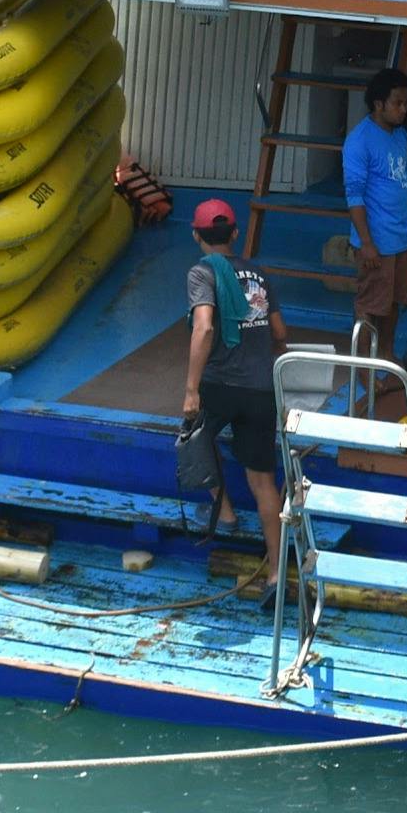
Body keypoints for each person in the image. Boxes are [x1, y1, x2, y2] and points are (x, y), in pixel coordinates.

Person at [179, 201, 291, 586]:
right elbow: (279, 333)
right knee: (264, 481)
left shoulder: (201, 272)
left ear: (196, 235)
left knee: (195, 440)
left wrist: (191, 390)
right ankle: (276, 569)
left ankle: (223, 511)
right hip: (261, 388)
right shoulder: (258, 273)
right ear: (235, 234)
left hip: (220, 385)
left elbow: (205, 328)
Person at [342, 69, 407, 372]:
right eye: (397, 103)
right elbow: (354, 196)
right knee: (368, 305)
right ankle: (363, 367)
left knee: (394, 303)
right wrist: (367, 243)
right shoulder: (359, 141)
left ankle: (386, 356)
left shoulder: (401, 136)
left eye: (405, 103)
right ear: (379, 104)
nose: (403, 109)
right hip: (377, 241)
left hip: (403, 239)